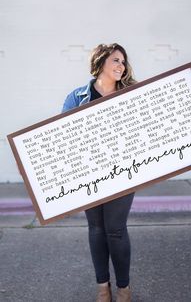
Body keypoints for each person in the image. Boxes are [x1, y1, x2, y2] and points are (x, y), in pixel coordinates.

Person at [62, 43, 137, 302]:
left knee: (115, 229)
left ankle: (123, 288)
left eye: (123, 62)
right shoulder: (76, 97)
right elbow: (62, 137)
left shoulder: (132, 93)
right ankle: (102, 287)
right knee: (95, 229)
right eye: (116, 60)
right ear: (101, 62)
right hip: (89, 174)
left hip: (123, 171)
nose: (121, 66)